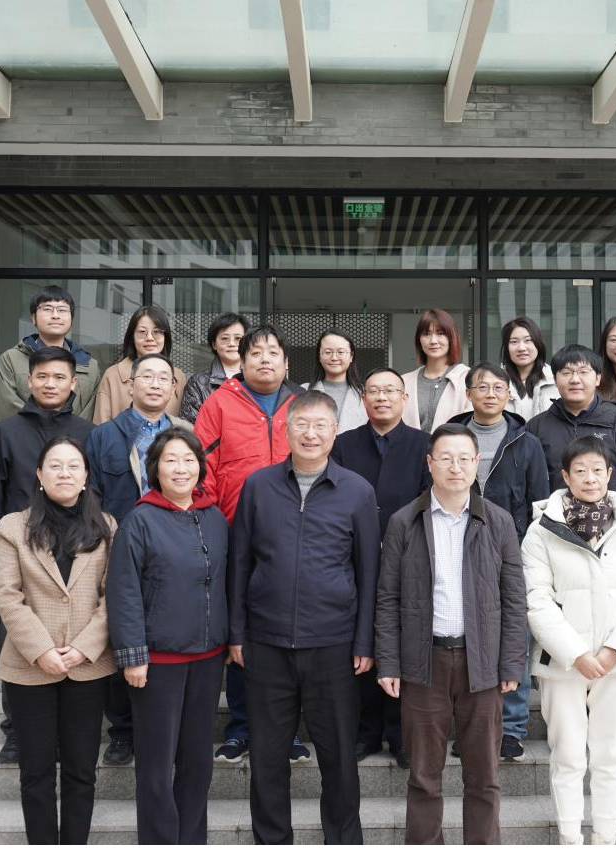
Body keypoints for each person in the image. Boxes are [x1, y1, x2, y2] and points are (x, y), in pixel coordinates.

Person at [228, 391, 381, 845]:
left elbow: (368, 573)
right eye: (302, 424)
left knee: (339, 758)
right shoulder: (258, 486)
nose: (310, 434)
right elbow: (240, 563)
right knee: (268, 758)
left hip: (334, 645)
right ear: (286, 429)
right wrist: (236, 632)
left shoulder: (357, 491)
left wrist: (364, 641)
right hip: (266, 642)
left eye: (320, 426)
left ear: (334, 432)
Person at [375, 424, 527, 845]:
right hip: (424, 663)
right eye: (445, 458)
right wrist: (388, 662)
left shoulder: (497, 522)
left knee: (484, 776)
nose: (455, 467)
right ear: (430, 463)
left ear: (476, 463)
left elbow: (515, 599)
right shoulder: (405, 522)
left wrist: (511, 663)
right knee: (424, 776)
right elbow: (387, 597)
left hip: (482, 663)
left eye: (464, 458)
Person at [522, 435, 616, 846]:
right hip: (563, 663)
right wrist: (576, 653)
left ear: (609, 474)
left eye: (597, 470)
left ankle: (605, 836)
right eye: (580, 470)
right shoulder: (541, 531)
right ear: (565, 476)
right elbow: (536, 599)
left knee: (609, 755)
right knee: (566, 755)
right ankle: (569, 836)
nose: (589, 478)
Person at [106, 427, 230, 845]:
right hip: (158, 662)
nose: (181, 468)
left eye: (189, 460)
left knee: (198, 763)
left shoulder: (214, 518)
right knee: (156, 767)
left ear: (201, 467)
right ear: (154, 469)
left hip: (208, 657)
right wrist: (133, 655)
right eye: (171, 460)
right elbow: (123, 591)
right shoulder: (140, 520)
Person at [0, 436, 115, 845]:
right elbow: (8, 596)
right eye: (56, 466)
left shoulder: (107, 526)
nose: (65, 473)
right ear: (40, 476)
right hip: (30, 668)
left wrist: (83, 648)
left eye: (73, 466)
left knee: (82, 770)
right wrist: (42, 650)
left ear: (86, 476)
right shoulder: (12, 527)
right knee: (36, 772)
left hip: (87, 666)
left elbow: (113, 596)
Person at [193, 323, 305, 765]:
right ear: (240, 361)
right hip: (234, 533)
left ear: (286, 362)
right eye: (255, 353)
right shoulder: (219, 403)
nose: (264, 359)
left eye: (273, 352)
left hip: (296, 537)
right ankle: (240, 727)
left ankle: (288, 731)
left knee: (289, 636)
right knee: (240, 634)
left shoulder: (302, 404)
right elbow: (202, 469)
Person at [0, 346, 94, 766]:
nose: (50, 384)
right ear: (29, 381)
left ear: (74, 383)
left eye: (59, 377)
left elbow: (94, 491)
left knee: (72, 636)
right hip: (21, 552)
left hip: (76, 549)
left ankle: (66, 732)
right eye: (42, 376)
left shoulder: (88, 432)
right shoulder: (6, 432)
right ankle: (15, 731)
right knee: (15, 637)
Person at [85, 352, 194, 767]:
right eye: (146, 376)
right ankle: (123, 730)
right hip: (122, 546)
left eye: (163, 378)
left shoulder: (186, 433)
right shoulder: (104, 435)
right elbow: (92, 496)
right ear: (130, 385)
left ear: (173, 388)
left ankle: (170, 725)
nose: (155, 384)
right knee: (122, 632)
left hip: (176, 549)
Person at [331, 367, 432, 768]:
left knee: (403, 643)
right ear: (364, 399)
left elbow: (429, 500)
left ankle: (401, 734)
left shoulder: (424, 444)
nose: (382, 397)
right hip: (353, 557)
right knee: (362, 641)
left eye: (390, 390)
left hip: (409, 558)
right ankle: (366, 731)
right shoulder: (343, 445)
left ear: (405, 398)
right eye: (374, 391)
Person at [447, 362, 548, 762]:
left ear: (509, 395)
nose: (490, 393)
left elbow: (540, 504)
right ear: (468, 393)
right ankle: (470, 727)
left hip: (513, 552)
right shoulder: (450, 437)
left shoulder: (527, 442)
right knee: (465, 640)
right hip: (456, 548)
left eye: (498, 387)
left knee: (513, 639)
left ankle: (511, 727)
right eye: (482, 387)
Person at [524, 344, 616, 514]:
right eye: (566, 373)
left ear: (597, 378)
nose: (575, 379)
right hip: (553, 523)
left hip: (610, 524)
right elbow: (529, 486)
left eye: (583, 372)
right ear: (555, 380)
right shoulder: (537, 427)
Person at [0, 284, 101, 421]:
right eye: (47, 309)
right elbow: (8, 408)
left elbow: (90, 414)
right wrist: (45, 429)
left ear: (71, 319)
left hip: (75, 435)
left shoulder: (89, 366)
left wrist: (69, 431)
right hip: (25, 435)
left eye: (62, 310)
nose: (55, 316)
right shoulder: (10, 360)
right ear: (33, 318)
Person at [92, 305, 187, 424]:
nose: (149, 338)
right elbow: (100, 427)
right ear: (132, 336)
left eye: (157, 332)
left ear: (165, 337)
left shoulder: (178, 376)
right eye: (142, 332)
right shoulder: (112, 375)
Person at [402, 308, 472, 431]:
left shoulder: (467, 378)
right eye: (426, 334)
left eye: (440, 333)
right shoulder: (404, 381)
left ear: (452, 337)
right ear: (419, 340)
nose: (433, 341)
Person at [179, 312, 249, 423]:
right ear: (214, 344)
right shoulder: (198, 383)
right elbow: (189, 426)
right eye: (225, 338)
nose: (231, 343)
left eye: (238, 338)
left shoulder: (257, 378)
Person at [303, 328, 367, 433]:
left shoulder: (365, 393)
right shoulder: (303, 391)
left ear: (351, 356)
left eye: (340, 352)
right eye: (328, 352)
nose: (334, 358)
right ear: (319, 356)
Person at [500, 316, 559, 420]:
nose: (521, 348)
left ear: (538, 344)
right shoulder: (495, 381)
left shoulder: (555, 380)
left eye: (528, 340)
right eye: (514, 342)